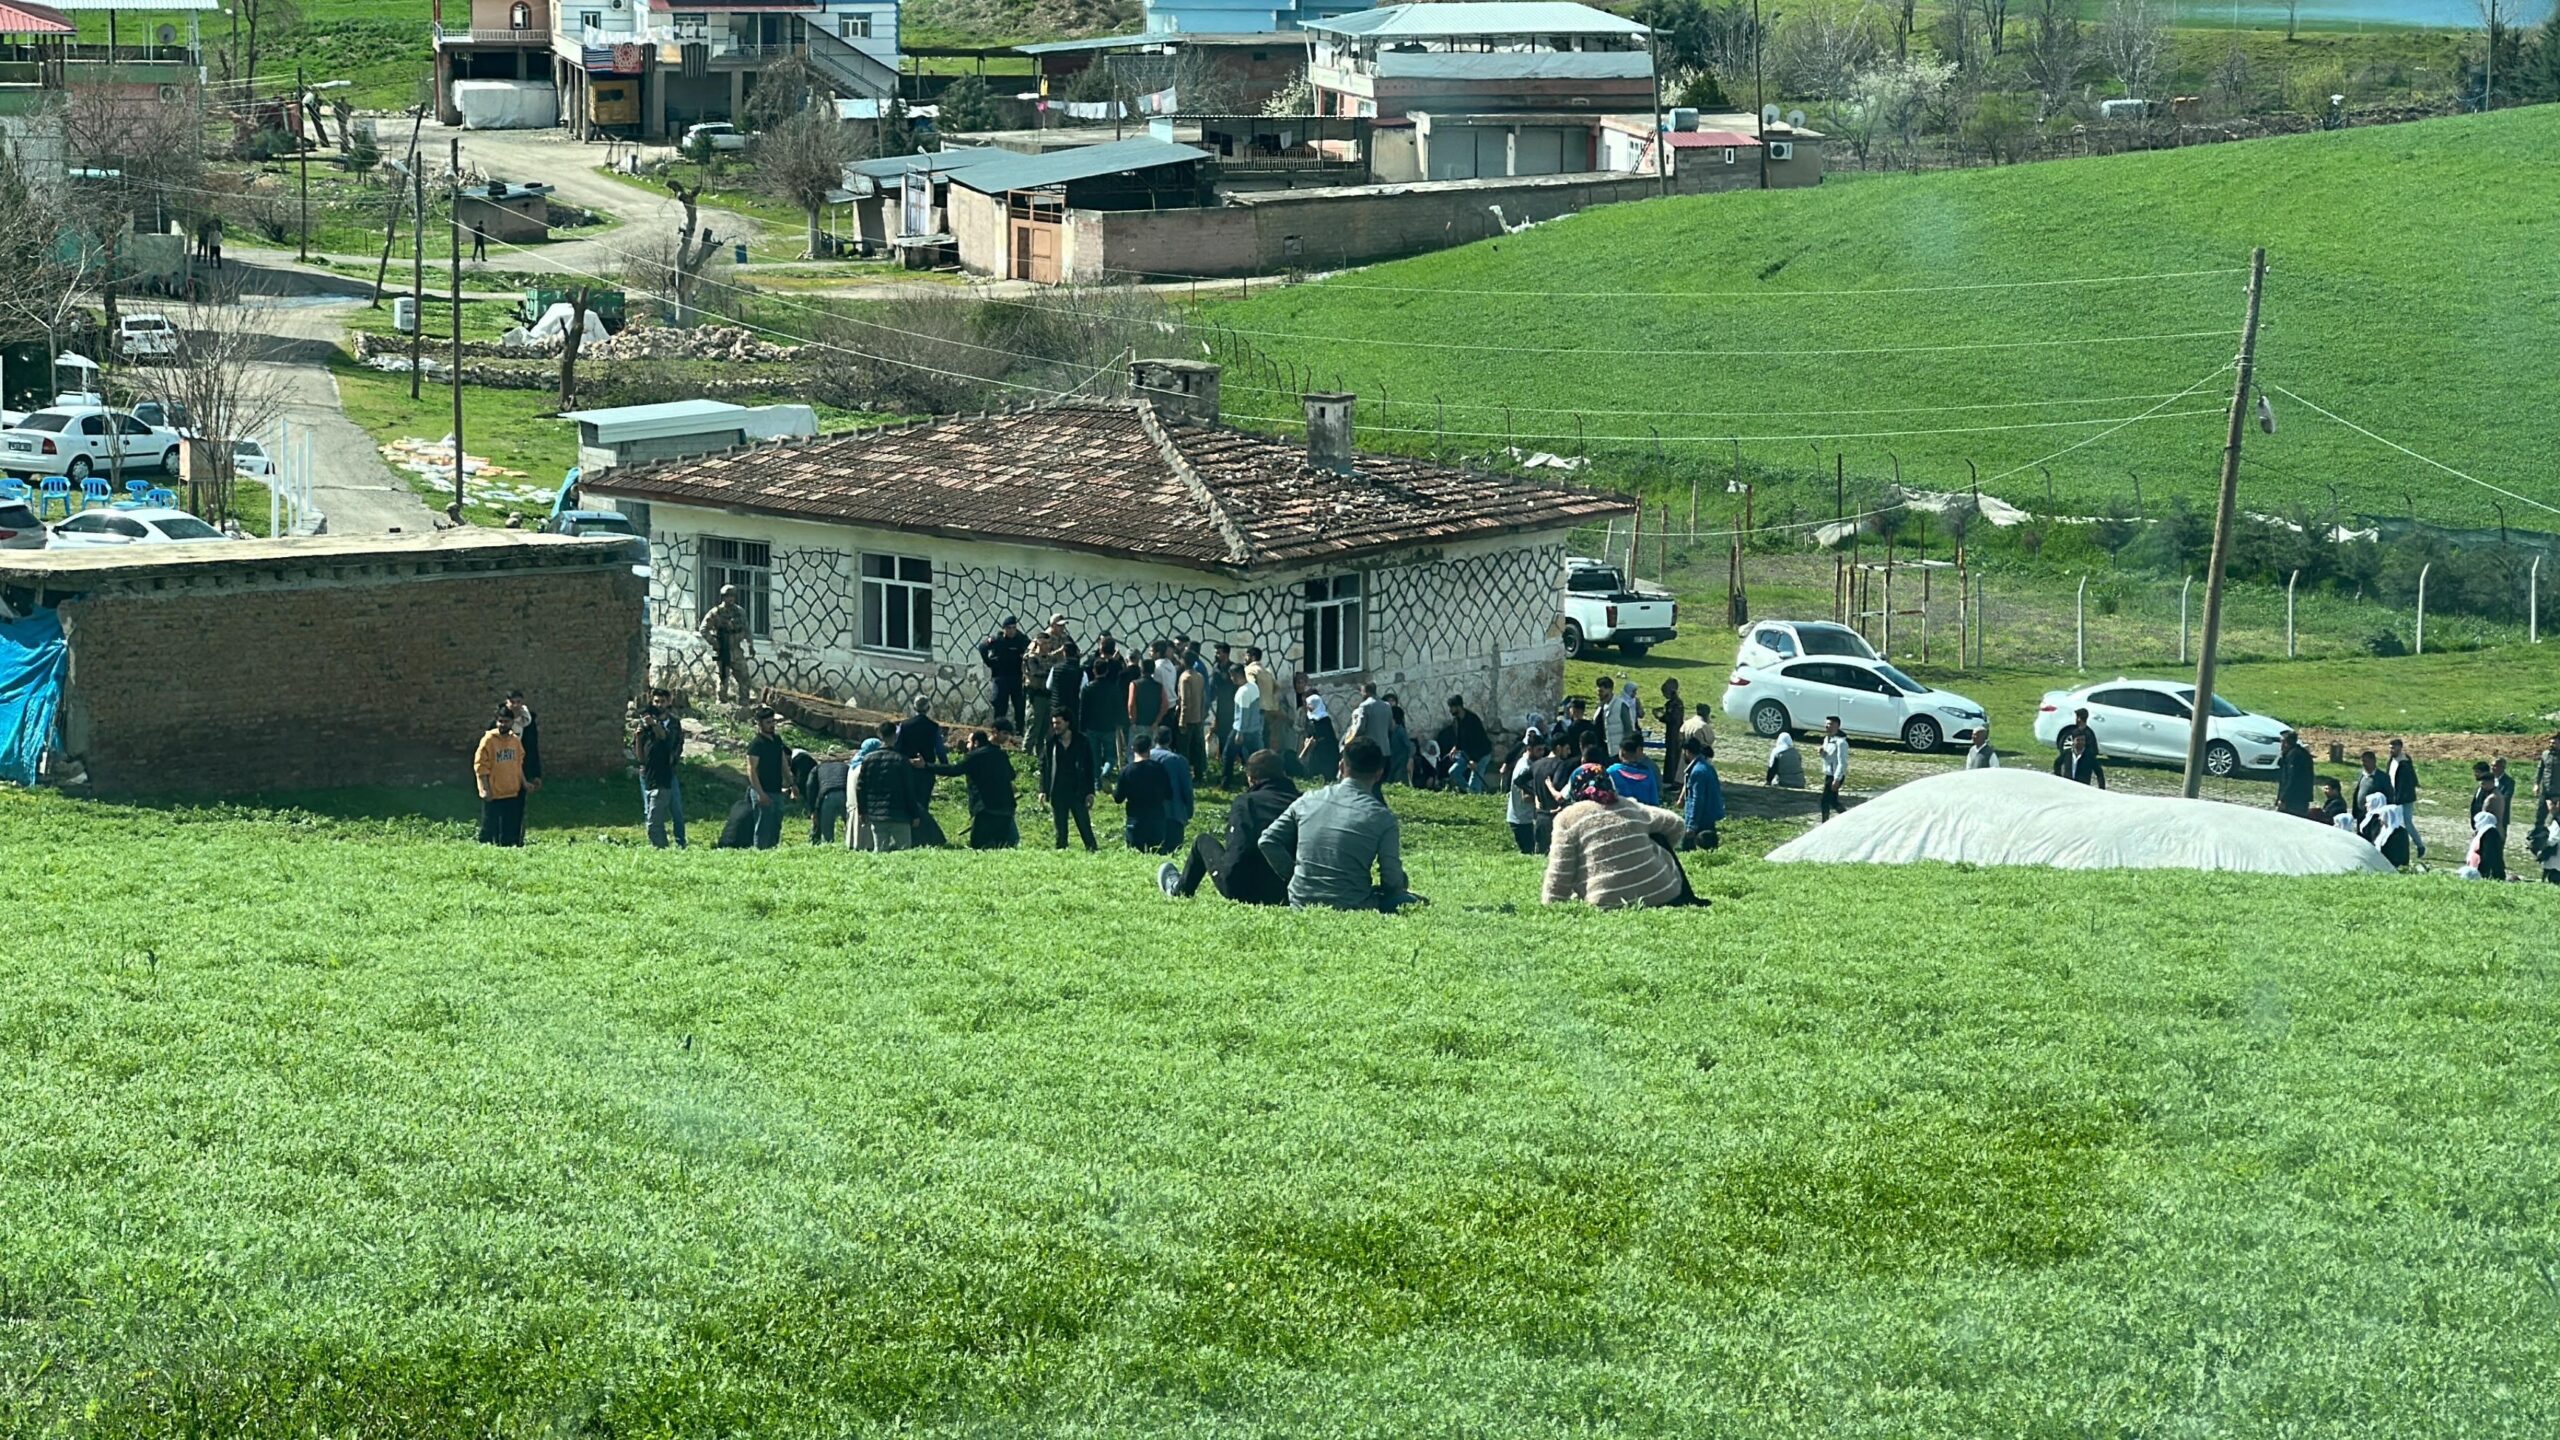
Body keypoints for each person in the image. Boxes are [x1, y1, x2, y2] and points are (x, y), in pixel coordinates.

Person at [1257, 738, 1417, 912]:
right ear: (1379, 774)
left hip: (1300, 900)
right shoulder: (1383, 818)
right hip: (1353, 905)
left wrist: (1293, 875)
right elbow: (1391, 879)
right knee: (1412, 900)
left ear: (1341, 767)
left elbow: (1267, 840)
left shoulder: (1307, 800)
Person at [1541, 764, 1702, 911]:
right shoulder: (1631, 806)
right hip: (1663, 891)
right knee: (1655, 833)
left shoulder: (1568, 818)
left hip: (1607, 900)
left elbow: (1560, 871)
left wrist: (1552, 905)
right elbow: (1676, 824)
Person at [1161, 749, 1299, 902]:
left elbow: (1238, 849)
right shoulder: (1302, 802)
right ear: (1283, 773)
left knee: (1202, 841)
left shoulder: (1247, 803)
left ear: (1251, 778)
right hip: (1289, 888)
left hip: (1244, 889)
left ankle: (1179, 890)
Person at [929, 729, 1019, 849]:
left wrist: (926, 766)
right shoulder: (1001, 754)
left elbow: (953, 770)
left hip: (985, 809)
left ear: (976, 743)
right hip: (1006, 809)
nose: (967, 745)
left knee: (979, 846)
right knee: (1004, 846)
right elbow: (1011, 775)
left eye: (969, 742)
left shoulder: (973, 757)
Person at [633, 688, 687, 849]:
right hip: (647, 772)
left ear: (669, 702)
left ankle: (680, 842)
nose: (659, 705)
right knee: (648, 810)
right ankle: (656, 843)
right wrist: (638, 736)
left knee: (676, 810)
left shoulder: (673, 723)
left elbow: (671, 743)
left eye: (662, 701)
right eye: (656, 701)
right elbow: (638, 752)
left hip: (667, 772)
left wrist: (654, 725)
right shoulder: (645, 723)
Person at [848, 738, 920, 852]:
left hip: (876, 815)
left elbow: (861, 788)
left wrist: (863, 811)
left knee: (880, 850)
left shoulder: (864, 762)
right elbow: (908, 790)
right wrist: (915, 814)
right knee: (904, 851)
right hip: (899, 814)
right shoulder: (901, 760)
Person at [1040, 712, 1098, 851]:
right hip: (1058, 792)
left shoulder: (1082, 741)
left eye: (1058, 723)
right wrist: (1043, 790)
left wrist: (1090, 792)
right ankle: (1061, 856)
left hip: (1078, 792)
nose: (1055, 726)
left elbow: (1089, 767)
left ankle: (1093, 852)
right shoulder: (1050, 742)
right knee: (1060, 832)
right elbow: (1044, 768)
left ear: (1067, 723)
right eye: (1053, 723)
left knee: (1085, 827)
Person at [473, 707, 527, 847]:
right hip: (494, 793)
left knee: (509, 830)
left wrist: (524, 783)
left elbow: (518, 765)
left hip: (512, 792)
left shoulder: (515, 741)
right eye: (500, 721)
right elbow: (481, 767)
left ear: (512, 722)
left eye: (506, 721)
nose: (503, 724)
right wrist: (484, 789)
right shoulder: (488, 740)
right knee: (490, 829)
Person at [1114, 739, 1178, 854]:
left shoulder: (1126, 771)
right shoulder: (1159, 769)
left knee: (1135, 855)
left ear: (1133, 749)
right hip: (1156, 819)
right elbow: (1169, 794)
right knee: (1157, 853)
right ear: (1150, 748)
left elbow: (1118, 798)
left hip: (1135, 820)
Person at [698, 584, 755, 706]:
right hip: (723, 650)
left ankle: (744, 704)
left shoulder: (739, 612)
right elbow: (703, 629)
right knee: (723, 679)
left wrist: (750, 645)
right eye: (728, 596)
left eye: (732, 596)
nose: (731, 599)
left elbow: (746, 629)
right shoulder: (716, 612)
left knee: (744, 677)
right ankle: (722, 704)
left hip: (736, 649)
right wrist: (715, 643)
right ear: (723, 597)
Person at [744, 706, 789, 849]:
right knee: (763, 828)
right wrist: (760, 794)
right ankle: (760, 853)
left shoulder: (777, 740)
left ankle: (773, 852)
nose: (772, 726)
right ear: (760, 724)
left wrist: (791, 782)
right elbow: (751, 770)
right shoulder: (756, 744)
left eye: (772, 722)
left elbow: (783, 762)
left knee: (776, 826)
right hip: (762, 791)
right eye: (768, 723)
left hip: (776, 790)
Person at [978, 616, 1031, 732]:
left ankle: (1019, 731)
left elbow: (1031, 650)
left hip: (1016, 677)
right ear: (1004, 629)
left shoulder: (1021, 639)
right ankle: (998, 730)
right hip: (1001, 677)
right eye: (1009, 628)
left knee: (1019, 705)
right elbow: (982, 647)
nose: (1012, 631)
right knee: (1000, 704)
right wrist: (989, 662)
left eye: (1014, 628)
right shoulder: (998, 639)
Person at [1079, 653, 1125, 785]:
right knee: (1111, 756)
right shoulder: (1113, 688)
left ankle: (1097, 783)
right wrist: (1120, 722)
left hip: (1092, 727)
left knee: (1095, 757)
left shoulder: (1087, 689)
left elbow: (1083, 710)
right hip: (1109, 727)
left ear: (1094, 671)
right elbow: (1119, 707)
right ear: (1107, 671)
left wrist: (1082, 728)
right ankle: (1106, 772)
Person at [1025, 614, 1073, 741]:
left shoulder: (1064, 638)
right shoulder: (1041, 640)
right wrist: (1055, 656)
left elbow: (1074, 651)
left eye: (1063, 625)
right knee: (1034, 724)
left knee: (1047, 727)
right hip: (1038, 688)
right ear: (1052, 625)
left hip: (1052, 689)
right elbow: (1034, 664)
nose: (1062, 628)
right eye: (1059, 625)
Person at [1505, 730, 1549, 854]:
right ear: (1529, 748)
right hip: (1521, 820)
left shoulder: (1528, 762)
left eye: (1542, 750)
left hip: (1525, 817)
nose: (1541, 754)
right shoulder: (1525, 768)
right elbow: (1525, 797)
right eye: (1538, 750)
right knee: (1529, 853)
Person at [1440, 694, 1494, 794]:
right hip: (1468, 754)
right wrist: (1455, 748)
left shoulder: (1473, 720)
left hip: (1481, 755)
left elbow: (1479, 743)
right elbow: (1459, 738)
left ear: (1458, 707)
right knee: (1453, 772)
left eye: (1451, 707)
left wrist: (1475, 761)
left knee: (1475, 783)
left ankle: (1474, 795)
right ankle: (1468, 791)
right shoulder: (1457, 720)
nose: (1450, 710)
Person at [1150, 725, 1196, 838]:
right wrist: (1189, 810)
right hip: (1174, 814)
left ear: (1154, 739)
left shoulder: (1146, 757)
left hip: (1149, 815)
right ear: (1170, 740)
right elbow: (1187, 789)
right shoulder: (1179, 761)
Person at [1680, 737, 1724, 851]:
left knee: (1688, 851)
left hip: (1700, 820)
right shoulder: (1708, 768)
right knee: (1710, 852)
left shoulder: (1697, 772)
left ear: (1687, 752)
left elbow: (1697, 800)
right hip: (1709, 817)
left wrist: (1691, 826)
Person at [2469, 760, 2509, 880]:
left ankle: (2485, 875)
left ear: (2490, 782)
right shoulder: (2499, 795)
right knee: (2497, 855)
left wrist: (2477, 832)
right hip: (2498, 829)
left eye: (2483, 784)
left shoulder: (2490, 799)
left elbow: (2484, 817)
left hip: (2489, 830)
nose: (2482, 786)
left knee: (2487, 854)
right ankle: (2498, 875)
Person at [1226, 662, 1262, 787]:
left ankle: (1226, 782)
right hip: (1254, 729)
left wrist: (1239, 733)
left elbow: (1243, 714)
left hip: (1241, 730)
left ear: (1236, 675)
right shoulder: (1253, 687)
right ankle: (1257, 781)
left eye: (1232, 676)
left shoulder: (1243, 692)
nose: (1231, 679)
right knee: (1254, 758)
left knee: (1228, 754)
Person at [1246, 645, 1285, 755]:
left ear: (1252, 657)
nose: (1245, 658)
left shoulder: (1249, 670)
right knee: (1266, 737)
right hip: (1269, 709)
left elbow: (1251, 686)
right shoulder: (1267, 671)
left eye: (1246, 656)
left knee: (1255, 738)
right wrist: (1271, 700)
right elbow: (1277, 687)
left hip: (1256, 708)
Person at [2386, 738, 2422, 858]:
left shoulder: (2404, 763)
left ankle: (2420, 845)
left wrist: (2400, 798)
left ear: (2400, 748)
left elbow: (2409, 783)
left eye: (2394, 747)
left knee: (2407, 822)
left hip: (2404, 798)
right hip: (2394, 796)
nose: (2391, 750)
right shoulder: (2391, 760)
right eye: (2390, 747)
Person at [805, 750, 850, 845]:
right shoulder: (845, 767)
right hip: (844, 794)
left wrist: (813, 809)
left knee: (827, 830)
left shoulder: (818, 768)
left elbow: (809, 786)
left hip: (827, 796)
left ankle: (828, 846)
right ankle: (851, 845)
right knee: (850, 826)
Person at [2359, 791, 2411, 870]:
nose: (2380, 818)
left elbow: (2398, 854)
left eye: (2382, 815)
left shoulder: (2399, 832)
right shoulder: (2384, 830)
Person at [1606, 733, 1661, 805]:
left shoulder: (1611, 771)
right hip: (1642, 813)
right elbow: (1654, 801)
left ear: (1622, 752)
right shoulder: (1648, 773)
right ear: (1637, 751)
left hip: (1619, 812)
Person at [507, 689, 543, 798]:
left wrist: (536, 774)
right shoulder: (501, 721)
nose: (516, 705)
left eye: (518, 702)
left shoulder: (529, 722)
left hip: (523, 764)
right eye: (513, 702)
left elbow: (532, 747)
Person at [1175, 661, 1209, 775]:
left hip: (1188, 718)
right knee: (1198, 747)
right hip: (1198, 717)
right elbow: (1203, 697)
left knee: (1184, 749)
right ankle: (1199, 773)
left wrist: (1182, 721)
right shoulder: (1200, 676)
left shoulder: (1185, 678)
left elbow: (1185, 701)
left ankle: (1184, 773)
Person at [1814, 717, 1851, 820]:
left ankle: (1824, 822)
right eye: (1826, 724)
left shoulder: (1841, 743)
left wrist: (1837, 779)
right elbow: (1828, 757)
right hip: (1829, 774)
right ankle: (1847, 818)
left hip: (1835, 776)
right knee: (1833, 801)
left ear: (1837, 726)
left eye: (1830, 724)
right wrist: (1822, 753)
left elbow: (1842, 762)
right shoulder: (1827, 739)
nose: (1827, 726)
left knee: (1825, 800)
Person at [1343, 681, 1394, 755]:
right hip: (1385, 749)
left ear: (1365, 692)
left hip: (1370, 749)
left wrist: (1349, 736)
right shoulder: (1387, 706)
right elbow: (1390, 727)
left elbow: (1360, 729)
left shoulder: (1364, 706)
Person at [894, 695, 947, 764]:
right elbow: (940, 750)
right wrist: (945, 766)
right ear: (928, 708)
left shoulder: (904, 725)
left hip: (908, 767)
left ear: (914, 708)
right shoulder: (934, 727)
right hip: (927, 768)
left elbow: (897, 746)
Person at [1297, 692, 1338, 781]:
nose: (1308, 707)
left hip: (1326, 748)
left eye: (1310, 705)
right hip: (1313, 748)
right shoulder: (1309, 717)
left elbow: (1329, 735)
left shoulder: (1325, 719)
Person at [2274, 730, 2314, 817]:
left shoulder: (2295, 756)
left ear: (2286, 743)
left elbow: (2292, 779)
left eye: (2282, 742)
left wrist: (2283, 799)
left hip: (2294, 800)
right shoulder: (2296, 753)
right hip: (2299, 799)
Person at [1555, 697, 1602, 761]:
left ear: (1573, 710)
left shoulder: (1571, 728)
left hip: (1574, 759)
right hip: (1592, 757)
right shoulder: (1592, 726)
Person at [2352, 749, 2389, 821]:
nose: (2364, 764)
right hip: (2361, 813)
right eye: (2362, 761)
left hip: (2373, 815)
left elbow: (2388, 795)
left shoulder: (2383, 777)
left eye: (2366, 761)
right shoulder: (2362, 775)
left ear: (2373, 761)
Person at [2536, 732, 2560, 826]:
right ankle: (2537, 837)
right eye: (2550, 743)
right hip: (2545, 791)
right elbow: (2540, 769)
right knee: (2540, 816)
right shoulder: (2545, 754)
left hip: (2558, 792)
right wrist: (2536, 784)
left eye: (2554, 743)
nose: (2551, 745)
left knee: (2557, 817)